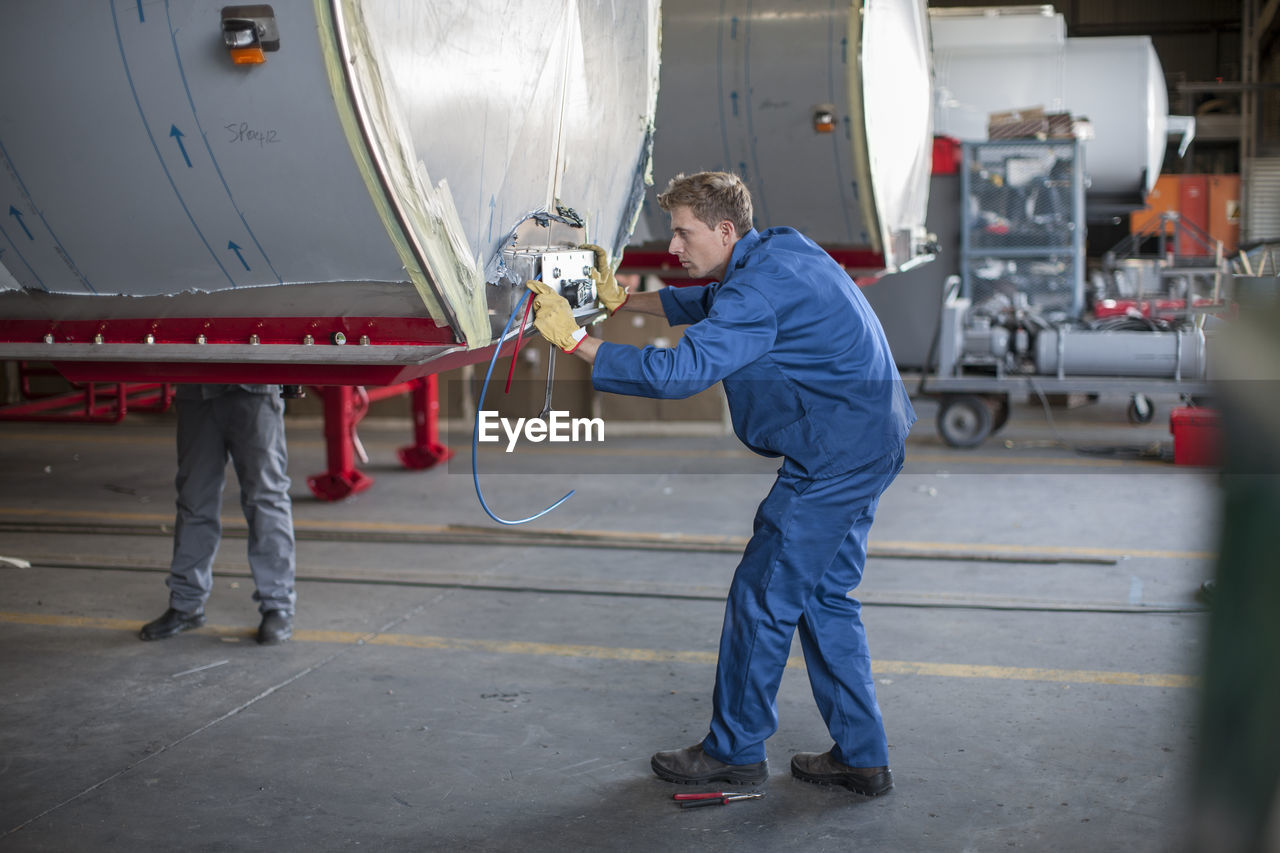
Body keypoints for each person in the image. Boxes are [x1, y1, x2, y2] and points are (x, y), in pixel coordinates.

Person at [526, 172, 915, 795]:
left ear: (724, 229)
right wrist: (626, 297)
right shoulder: (782, 250)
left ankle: (734, 750)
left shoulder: (755, 290)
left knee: (763, 596)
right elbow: (712, 301)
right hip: (874, 439)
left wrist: (576, 340)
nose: (674, 248)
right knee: (822, 598)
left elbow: (679, 372)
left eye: (684, 232)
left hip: (833, 458)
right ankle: (862, 756)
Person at [139, 384, 297, 645]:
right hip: (197, 389)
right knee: (194, 499)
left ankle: (277, 605)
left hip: (253, 389)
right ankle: (186, 604)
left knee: (266, 498)